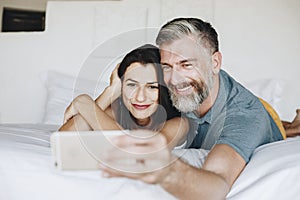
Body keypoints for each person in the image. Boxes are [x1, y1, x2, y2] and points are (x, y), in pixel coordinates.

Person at [98, 17, 286, 199]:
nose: (175, 79)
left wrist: (168, 170)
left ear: (215, 63)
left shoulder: (243, 116)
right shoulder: (174, 88)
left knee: (271, 119)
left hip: (262, 113)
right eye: (167, 66)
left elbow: (216, 185)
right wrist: (110, 91)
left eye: (186, 64)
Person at [59, 44, 189, 149]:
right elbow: (63, 140)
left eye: (152, 87)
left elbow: (142, 152)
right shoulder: (115, 113)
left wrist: (85, 103)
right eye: (132, 85)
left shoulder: (178, 124)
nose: (140, 98)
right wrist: (109, 93)